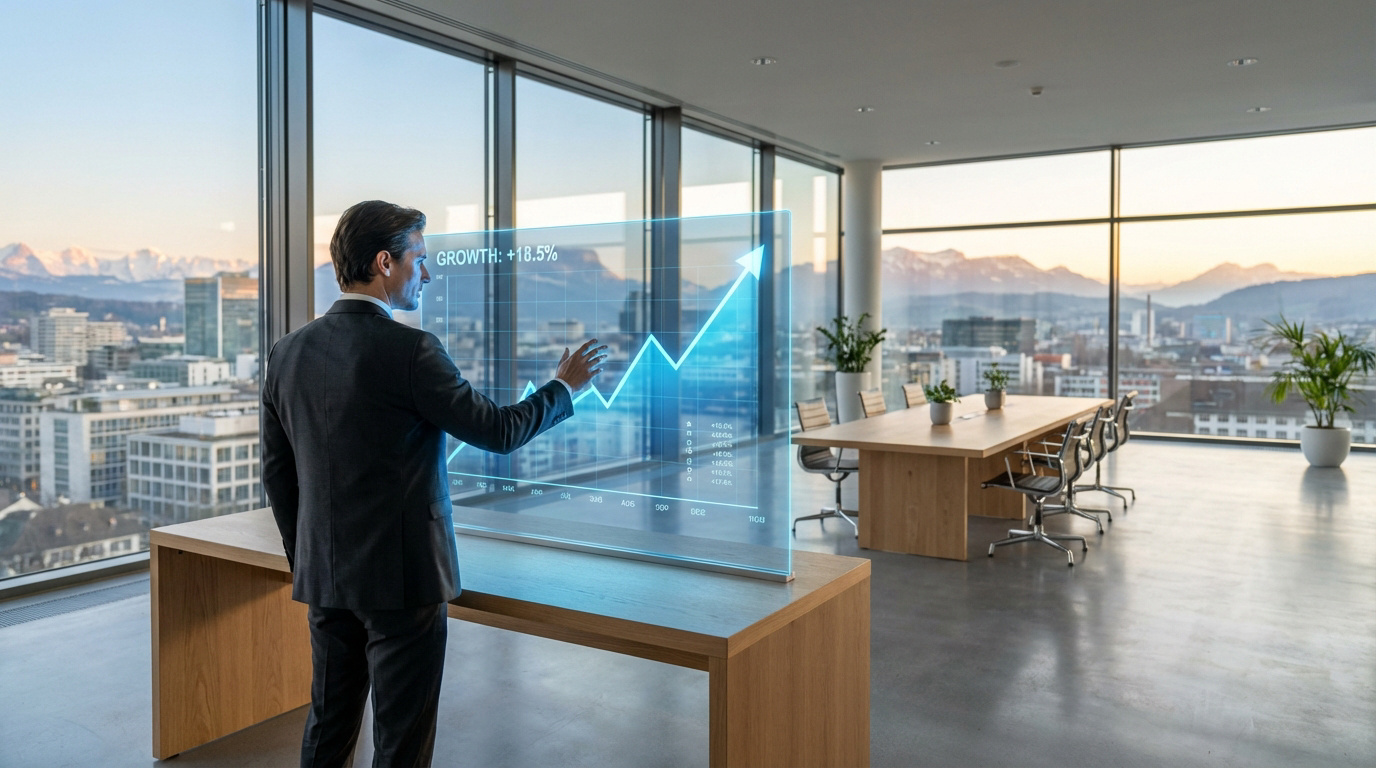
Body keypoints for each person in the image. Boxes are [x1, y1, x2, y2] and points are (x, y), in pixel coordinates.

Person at [260, 199, 605, 767]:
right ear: (384, 263)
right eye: (419, 258)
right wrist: (562, 388)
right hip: (402, 583)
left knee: (328, 724)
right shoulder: (411, 351)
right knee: (402, 741)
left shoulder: (288, 352)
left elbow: (279, 474)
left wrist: (309, 562)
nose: (427, 272)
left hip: (325, 574)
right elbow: (497, 430)